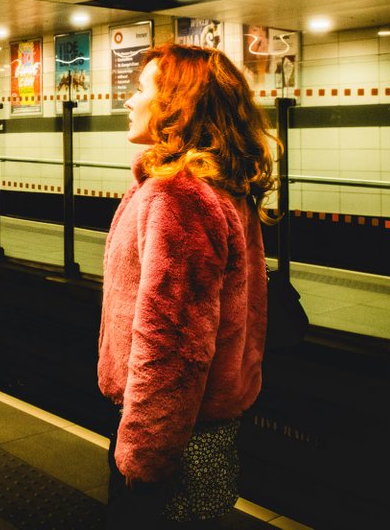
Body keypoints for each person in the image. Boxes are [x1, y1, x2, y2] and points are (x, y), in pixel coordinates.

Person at [99, 43, 277, 527]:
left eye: (141, 90)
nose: (129, 101)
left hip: (172, 432)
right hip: (200, 422)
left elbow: (173, 339)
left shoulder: (179, 196)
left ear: (175, 107)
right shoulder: (217, 186)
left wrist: (145, 450)